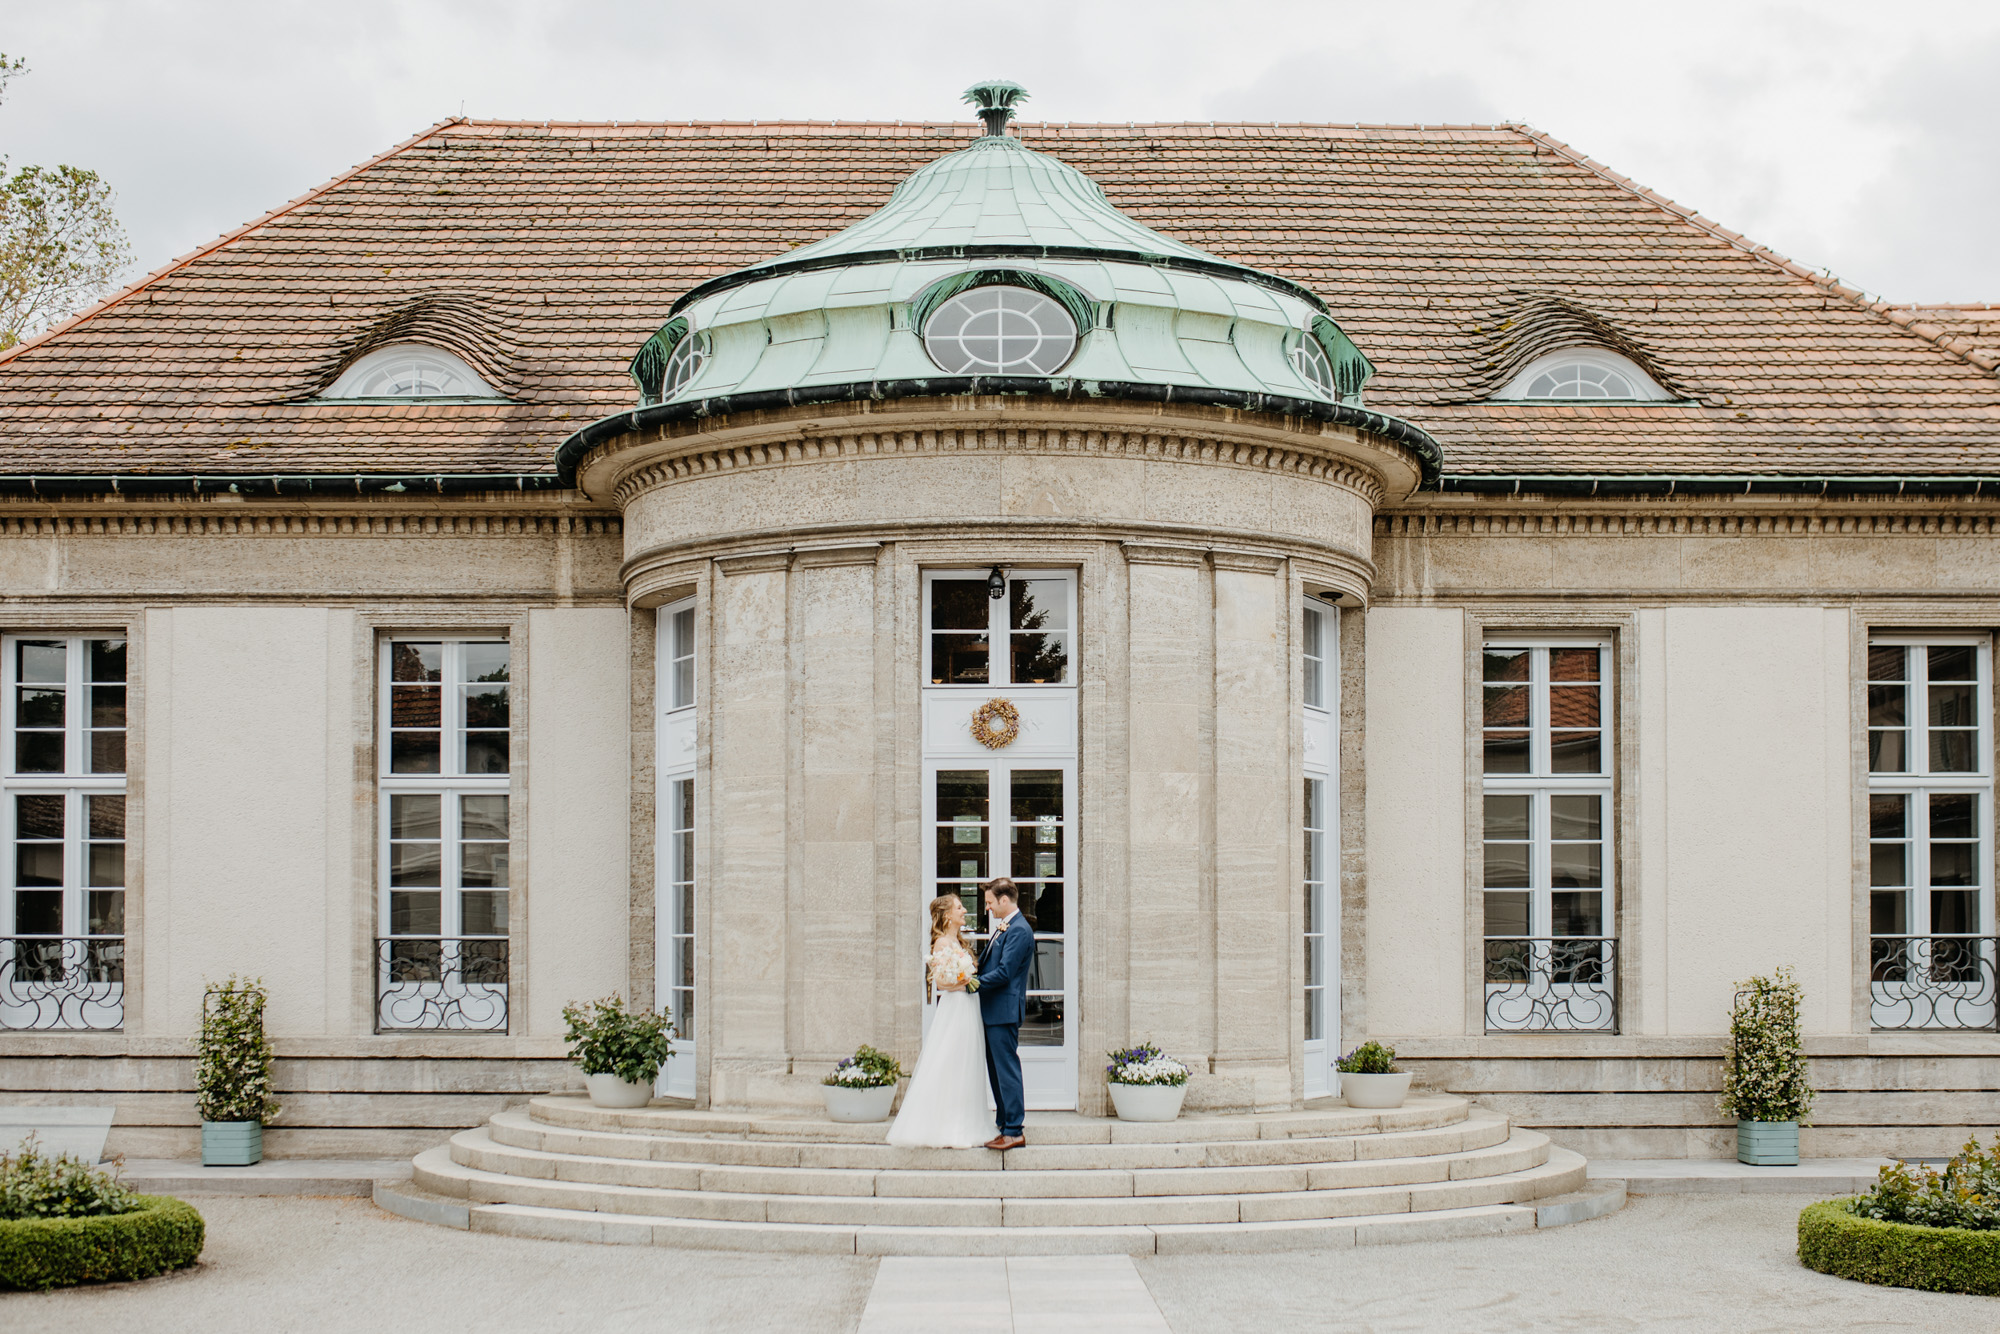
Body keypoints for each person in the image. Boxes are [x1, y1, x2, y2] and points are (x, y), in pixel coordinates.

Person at [885, 894, 993, 1148]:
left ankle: (968, 1120)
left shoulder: (958, 941)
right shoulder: (942, 943)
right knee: (951, 1061)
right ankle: (946, 1125)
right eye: (959, 907)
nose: (964, 910)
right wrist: (965, 982)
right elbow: (942, 983)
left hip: (968, 1006)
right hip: (955, 1008)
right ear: (947, 915)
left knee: (967, 1063)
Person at [975, 877, 1034, 1150]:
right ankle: (1004, 1124)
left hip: (1004, 1011)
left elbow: (1005, 973)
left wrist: (971, 983)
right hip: (992, 1011)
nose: (988, 908)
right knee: (996, 1072)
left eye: (989, 902)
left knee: (1006, 1071)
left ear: (1004, 900)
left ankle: (1014, 1130)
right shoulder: (1004, 927)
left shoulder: (1020, 930)